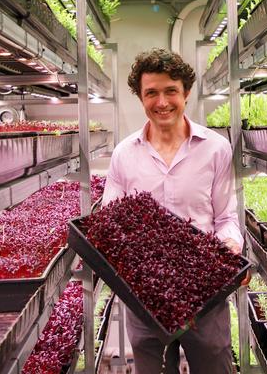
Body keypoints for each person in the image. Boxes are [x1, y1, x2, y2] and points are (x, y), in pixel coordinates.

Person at [102, 47, 245, 374]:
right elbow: (110, 222)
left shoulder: (215, 149)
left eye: (171, 91)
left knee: (213, 362)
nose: (162, 102)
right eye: (151, 92)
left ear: (187, 93)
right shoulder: (124, 154)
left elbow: (226, 218)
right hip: (144, 294)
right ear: (140, 97)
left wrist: (231, 248)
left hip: (204, 290)